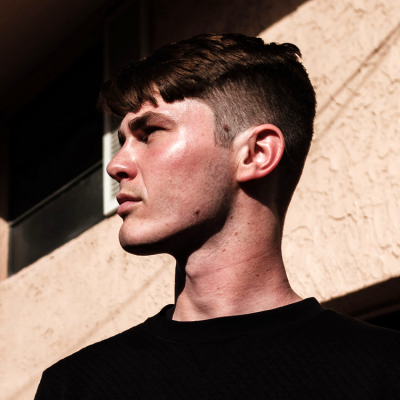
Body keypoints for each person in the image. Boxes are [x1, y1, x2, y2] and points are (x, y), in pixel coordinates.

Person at [35, 33, 400, 400]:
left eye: (150, 133)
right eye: (123, 141)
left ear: (256, 154)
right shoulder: (76, 385)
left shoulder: (384, 370)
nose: (116, 165)